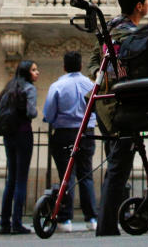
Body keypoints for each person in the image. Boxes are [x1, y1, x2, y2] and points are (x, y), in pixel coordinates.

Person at [92, 0, 148, 237]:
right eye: (146, 0)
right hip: (122, 103)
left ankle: (108, 222)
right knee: (119, 164)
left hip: (104, 103)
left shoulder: (109, 27)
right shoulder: (133, 34)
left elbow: (95, 61)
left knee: (116, 162)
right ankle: (105, 226)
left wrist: (102, 75)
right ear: (139, 5)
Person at [42, 51, 98, 233]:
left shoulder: (57, 86)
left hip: (64, 134)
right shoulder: (90, 84)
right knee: (86, 175)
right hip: (86, 133)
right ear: (81, 66)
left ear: (64, 66)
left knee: (67, 176)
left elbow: (49, 114)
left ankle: (65, 220)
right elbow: (97, 109)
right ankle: (92, 218)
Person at [0, 59, 39, 235]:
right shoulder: (29, 89)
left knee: (11, 178)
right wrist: (36, 112)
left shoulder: (9, 87)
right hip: (23, 133)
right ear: (26, 72)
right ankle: (17, 222)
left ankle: (4, 223)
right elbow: (31, 112)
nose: (37, 73)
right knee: (21, 179)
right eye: (34, 70)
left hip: (9, 135)